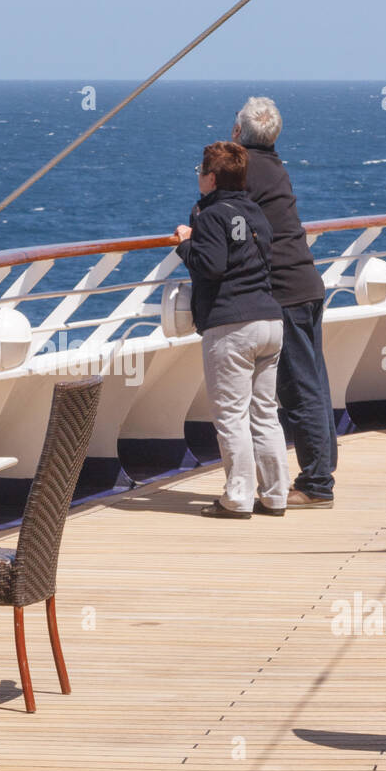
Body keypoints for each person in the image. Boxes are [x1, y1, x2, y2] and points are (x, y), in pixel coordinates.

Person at [174, 141, 289, 519]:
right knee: (265, 412)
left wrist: (185, 244)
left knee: (231, 414)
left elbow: (211, 265)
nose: (199, 179)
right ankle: (274, 494)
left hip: (233, 324)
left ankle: (238, 496)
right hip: (270, 321)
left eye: (200, 173)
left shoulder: (209, 217)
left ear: (211, 178)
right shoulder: (255, 213)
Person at [233, 96, 336, 508]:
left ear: (239, 131)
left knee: (299, 391)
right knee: (316, 385)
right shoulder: (274, 166)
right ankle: (322, 470)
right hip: (307, 284)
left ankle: (316, 485)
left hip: (287, 294)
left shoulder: (245, 169)